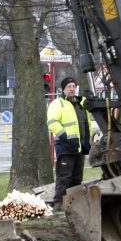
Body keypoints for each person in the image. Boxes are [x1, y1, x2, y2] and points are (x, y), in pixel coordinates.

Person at [46, 77, 96, 210]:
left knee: (77, 178)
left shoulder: (81, 103)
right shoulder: (58, 104)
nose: (72, 88)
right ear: (63, 89)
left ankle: (74, 205)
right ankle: (59, 204)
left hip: (80, 147)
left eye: (74, 86)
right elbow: (52, 122)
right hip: (66, 147)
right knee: (64, 177)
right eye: (69, 86)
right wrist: (65, 136)